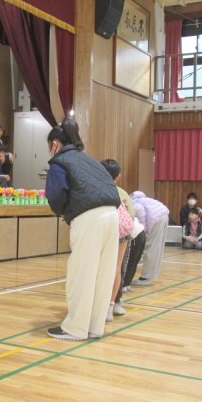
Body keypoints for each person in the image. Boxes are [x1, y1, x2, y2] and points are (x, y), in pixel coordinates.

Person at [45, 120, 120, 341]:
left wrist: (63, 212)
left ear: (55, 144)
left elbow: (56, 195)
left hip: (89, 217)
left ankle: (75, 328)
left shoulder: (59, 161)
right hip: (112, 215)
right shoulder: (89, 159)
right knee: (103, 273)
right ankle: (95, 326)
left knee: (82, 273)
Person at [100, 158, 134, 322]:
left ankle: (100, 306)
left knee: (102, 268)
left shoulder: (97, 187)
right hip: (125, 227)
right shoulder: (119, 191)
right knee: (116, 268)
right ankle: (110, 307)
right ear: (118, 176)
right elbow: (131, 212)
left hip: (109, 226)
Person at [130, 191, 170, 286]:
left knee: (151, 248)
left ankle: (145, 278)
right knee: (156, 248)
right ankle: (148, 276)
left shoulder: (134, 203)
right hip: (164, 216)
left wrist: (143, 232)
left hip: (156, 220)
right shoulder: (146, 200)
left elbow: (141, 215)